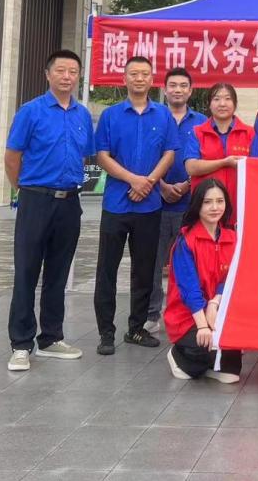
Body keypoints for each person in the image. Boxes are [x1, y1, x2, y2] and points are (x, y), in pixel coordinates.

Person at [3, 49, 93, 372]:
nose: (67, 77)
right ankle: (21, 343)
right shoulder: (31, 111)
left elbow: (85, 155)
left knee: (58, 272)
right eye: (61, 70)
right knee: (27, 271)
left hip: (69, 202)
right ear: (48, 74)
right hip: (35, 200)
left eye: (73, 71)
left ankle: (51, 337)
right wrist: (24, 189)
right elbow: (12, 157)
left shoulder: (82, 115)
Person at [93, 55, 179, 355]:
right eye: (134, 74)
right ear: (125, 78)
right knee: (107, 269)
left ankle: (136, 328)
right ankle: (106, 332)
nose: (139, 79)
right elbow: (102, 155)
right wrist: (133, 180)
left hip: (149, 206)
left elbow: (169, 153)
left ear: (152, 79)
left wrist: (149, 182)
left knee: (144, 270)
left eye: (145, 74)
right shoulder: (110, 116)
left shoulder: (163, 115)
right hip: (116, 205)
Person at [164, 178, 242, 383]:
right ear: (197, 205)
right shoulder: (186, 241)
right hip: (188, 316)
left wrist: (215, 303)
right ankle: (178, 356)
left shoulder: (232, 238)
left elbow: (232, 278)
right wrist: (203, 326)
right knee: (207, 344)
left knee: (232, 372)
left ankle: (209, 363)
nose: (215, 207)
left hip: (217, 311)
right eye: (207, 202)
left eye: (220, 201)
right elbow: (189, 289)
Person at [146, 68, 204, 335]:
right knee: (152, 262)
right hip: (155, 201)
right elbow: (146, 157)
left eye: (183, 85)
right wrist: (160, 185)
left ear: (190, 91)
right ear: (165, 88)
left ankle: (190, 314)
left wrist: (187, 184)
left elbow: (205, 158)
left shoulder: (201, 122)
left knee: (189, 264)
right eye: (173, 85)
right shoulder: (153, 117)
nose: (178, 90)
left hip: (191, 204)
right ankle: (151, 314)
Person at [185, 82, 254, 207]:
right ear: (209, 104)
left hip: (240, 203)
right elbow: (191, 167)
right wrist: (224, 162)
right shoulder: (197, 132)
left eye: (227, 99)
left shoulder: (250, 133)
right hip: (206, 205)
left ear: (235, 104)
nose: (222, 104)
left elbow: (256, 168)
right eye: (216, 99)